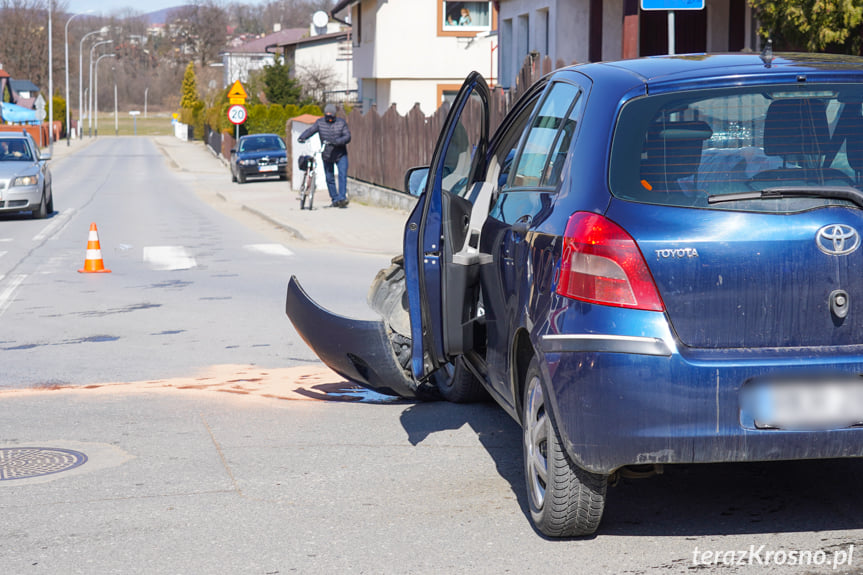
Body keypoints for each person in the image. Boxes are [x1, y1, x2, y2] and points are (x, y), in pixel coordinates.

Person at [298, 104, 352, 208]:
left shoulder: (341, 123)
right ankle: (335, 199)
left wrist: (336, 142)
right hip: (327, 154)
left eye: (331, 116)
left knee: (342, 175)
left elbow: (347, 137)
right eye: (327, 116)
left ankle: (342, 198)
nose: (329, 119)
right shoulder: (320, 123)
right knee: (329, 177)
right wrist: (302, 137)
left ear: (334, 115)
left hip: (340, 154)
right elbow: (311, 130)